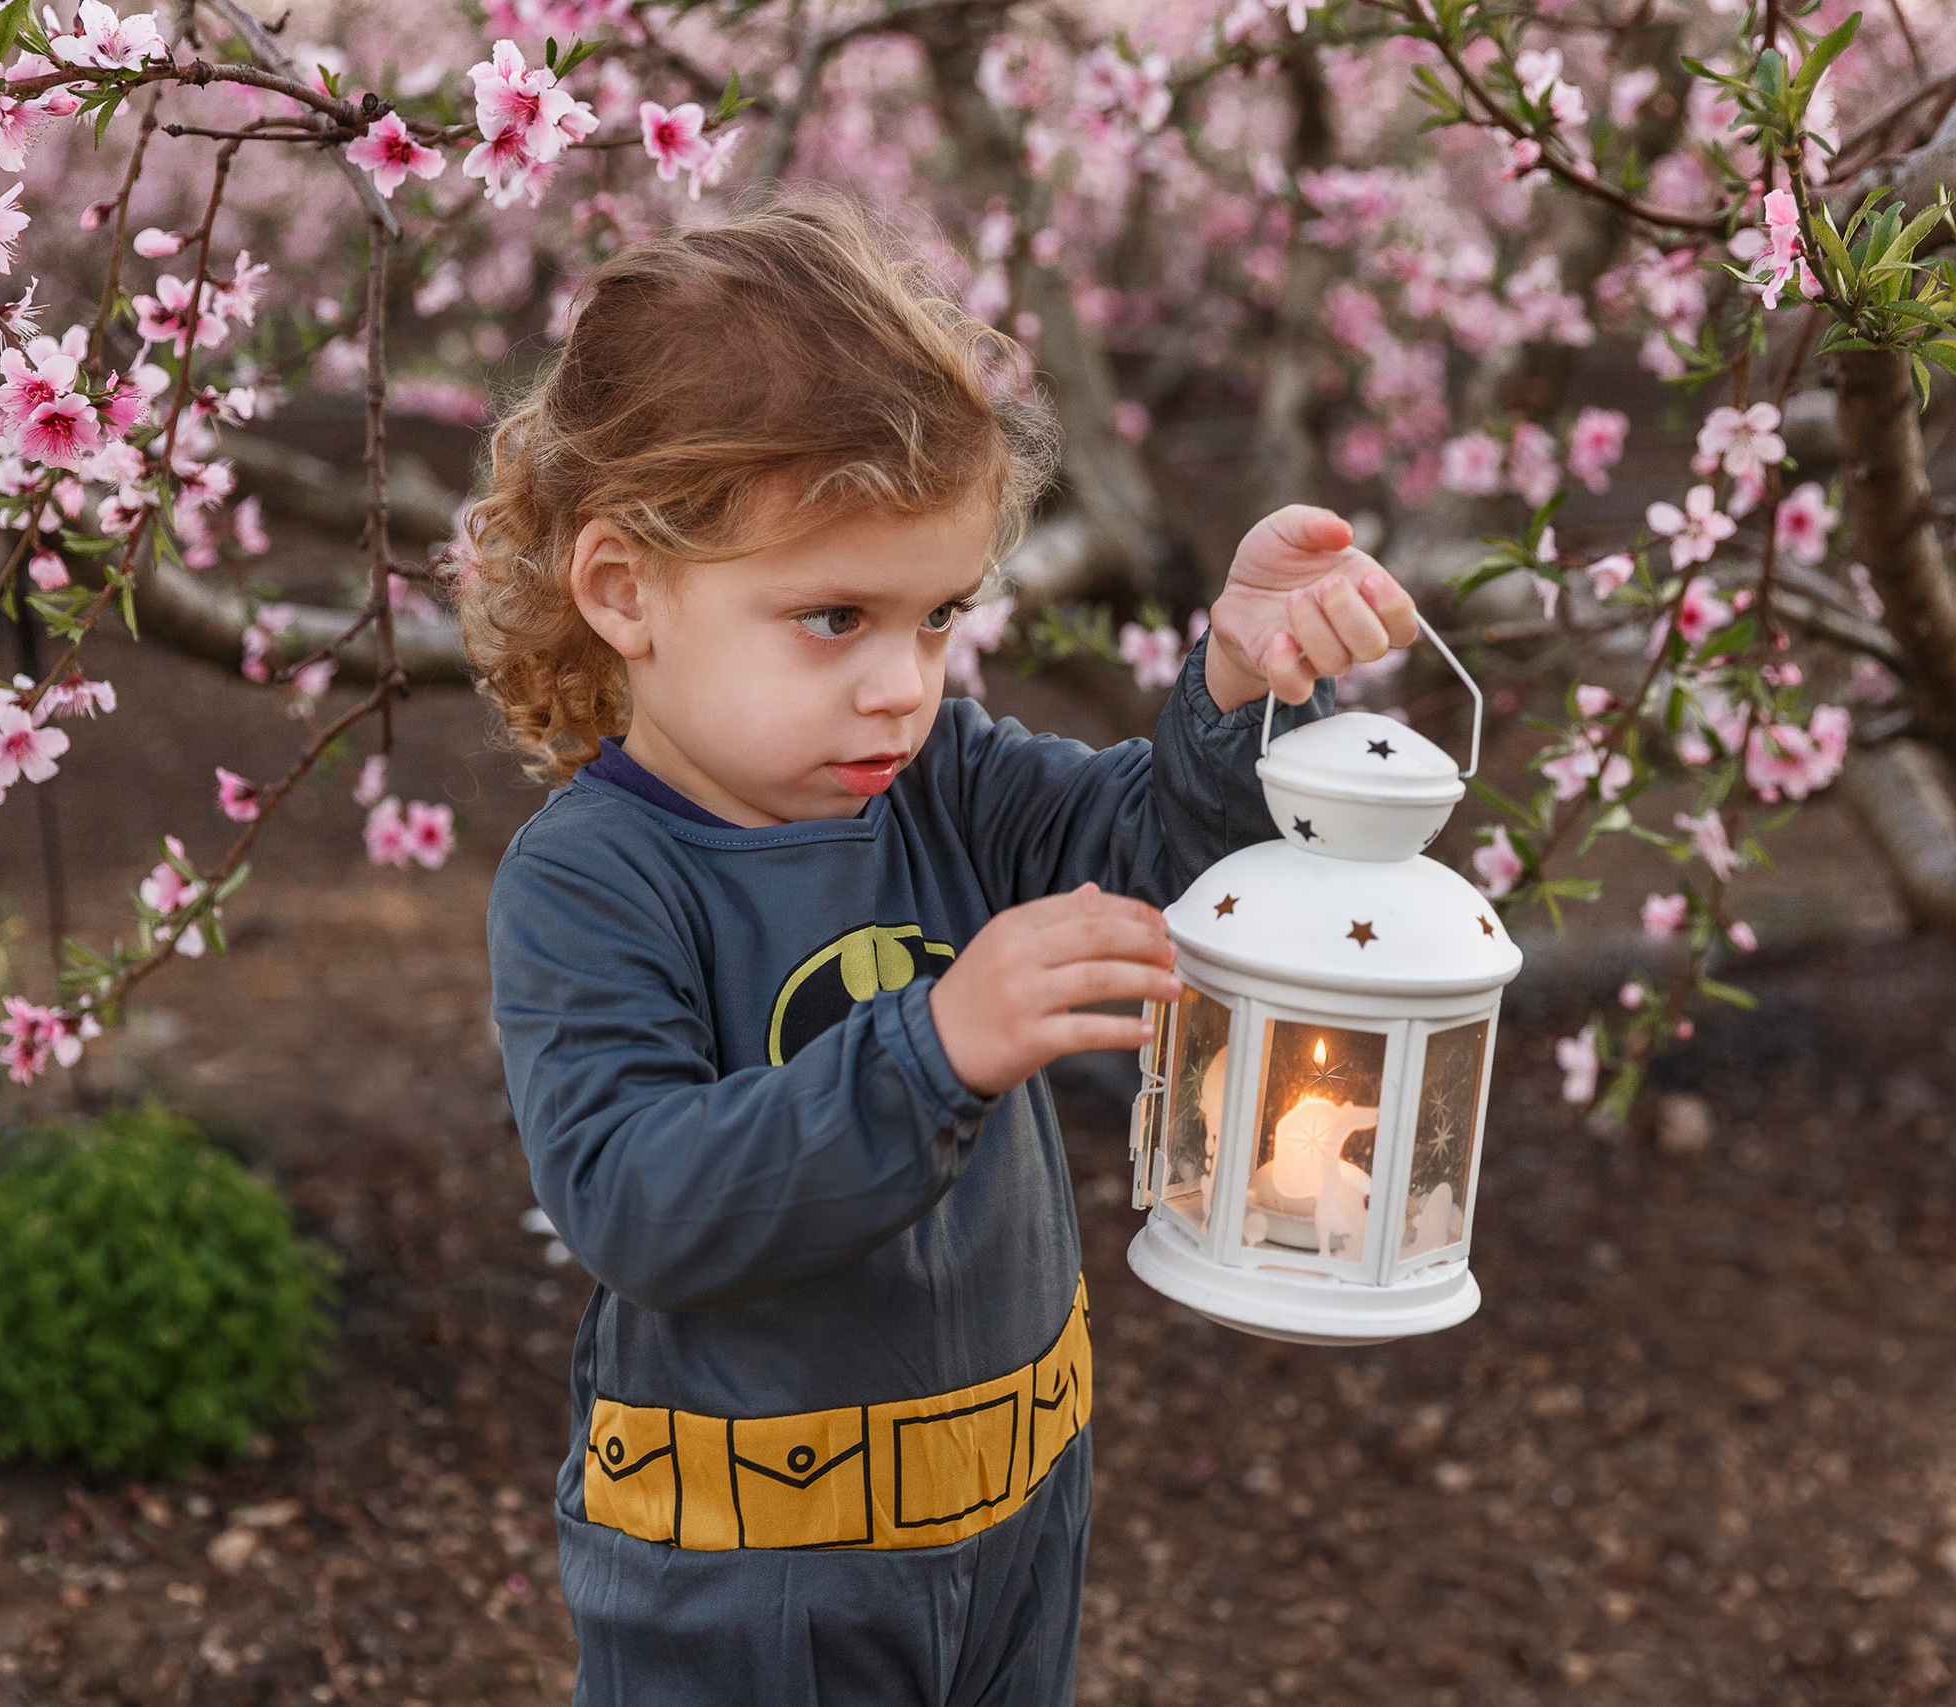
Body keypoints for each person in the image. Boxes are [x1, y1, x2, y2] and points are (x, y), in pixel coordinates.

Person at [465, 188, 1418, 1707]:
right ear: (624, 592)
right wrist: (933, 1045)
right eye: (834, 618)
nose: (902, 686)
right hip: (751, 1584)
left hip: (1017, 1504)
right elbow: (639, 1202)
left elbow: (1165, 868)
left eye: (935, 619)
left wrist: (1236, 686)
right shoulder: (598, 881)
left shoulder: (950, 783)